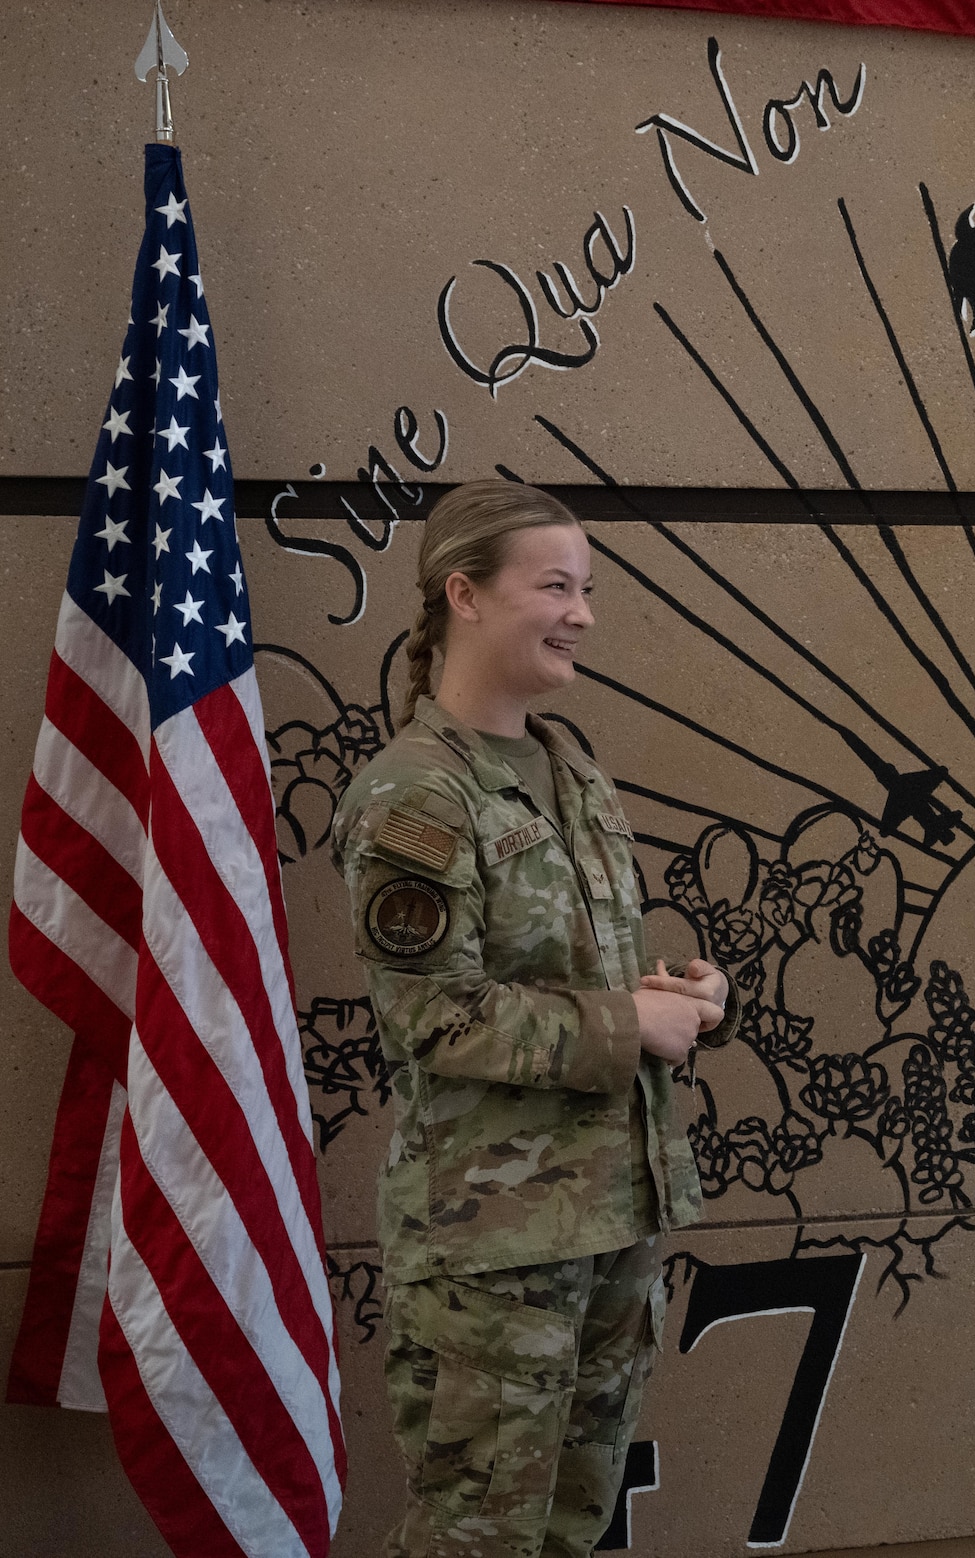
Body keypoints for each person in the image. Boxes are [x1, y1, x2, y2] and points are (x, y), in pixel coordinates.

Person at [331, 480, 738, 1558]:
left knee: (567, 1530)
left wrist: (684, 998)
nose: (582, 615)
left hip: (611, 1222)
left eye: (586, 589)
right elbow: (433, 1015)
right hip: (492, 1252)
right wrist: (626, 1026)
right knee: (474, 1541)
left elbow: (579, 972)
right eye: (555, 587)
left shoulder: (571, 770)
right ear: (463, 594)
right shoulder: (417, 796)